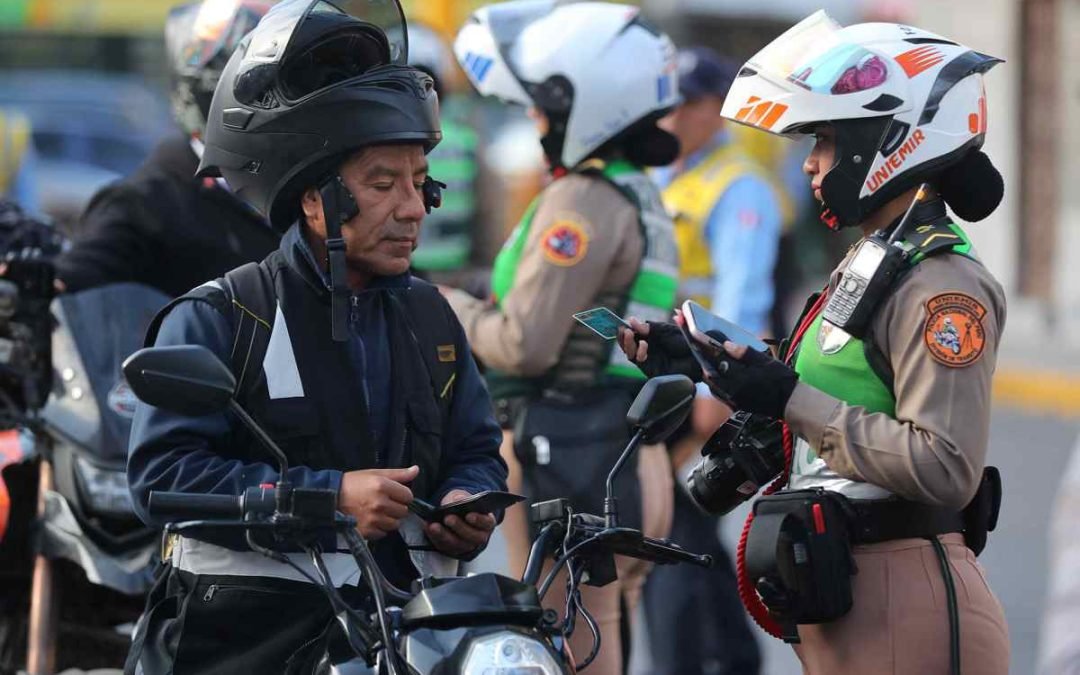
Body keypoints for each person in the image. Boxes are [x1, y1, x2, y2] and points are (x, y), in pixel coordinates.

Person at [619, 11, 1010, 674]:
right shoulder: (878, 258)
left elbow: (945, 463)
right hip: (848, 594)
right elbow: (842, 373)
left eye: (826, 140)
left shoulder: (943, 284)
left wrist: (789, 396)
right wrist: (708, 358)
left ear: (891, 140)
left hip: (904, 598)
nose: (809, 163)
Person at [123, 1, 507, 671]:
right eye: (384, 184)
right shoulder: (222, 315)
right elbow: (160, 476)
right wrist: (327, 498)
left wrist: (465, 499)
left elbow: (475, 446)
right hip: (238, 645)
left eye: (421, 183)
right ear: (313, 198)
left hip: (401, 640)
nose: (413, 208)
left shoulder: (433, 319)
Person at [447, 2, 681, 672]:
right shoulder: (636, 190)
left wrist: (445, 305)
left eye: (542, 106)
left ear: (588, 106)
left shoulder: (582, 199)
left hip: (573, 457)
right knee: (607, 640)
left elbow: (525, 343)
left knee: (569, 649)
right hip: (622, 454)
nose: (533, 118)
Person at [645, 45, 783, 675]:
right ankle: (733, 656)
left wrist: (715, 395)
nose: (670, 115)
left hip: (702, 383)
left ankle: (702, 660)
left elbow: (744, 298)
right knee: (678, 531)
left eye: (684, 103)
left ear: (712, 108)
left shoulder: (739, 185)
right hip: (665, 379)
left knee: (670, 533)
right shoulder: (664, 175)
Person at [54, 0, 280, 297]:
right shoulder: (142, 204)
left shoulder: (313, 183)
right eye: (265, 90)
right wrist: (40, 281)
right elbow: (76, 280)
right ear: (212, 91)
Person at [404, 22, 481, 278]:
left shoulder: (383, 141)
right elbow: (486, 214)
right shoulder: (464, 138)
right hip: (456, 268)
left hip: (403, 268)